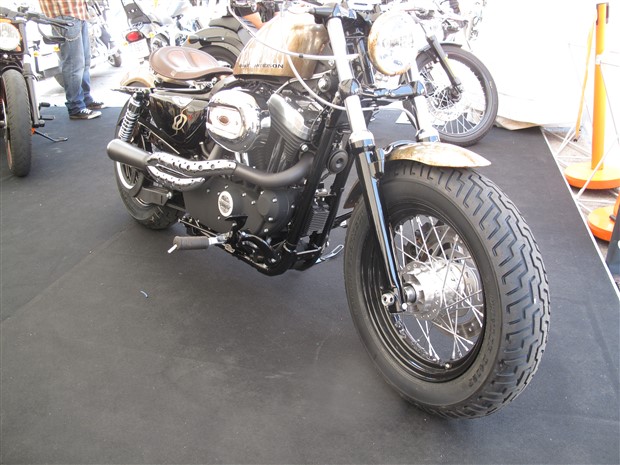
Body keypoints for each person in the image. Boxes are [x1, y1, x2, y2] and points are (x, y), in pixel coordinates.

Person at [38, 0, 104, 120]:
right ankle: (76, 107)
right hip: (65, 14)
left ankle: (85, 99)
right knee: (74, 64)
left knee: (84, 62)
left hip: (77, 13)